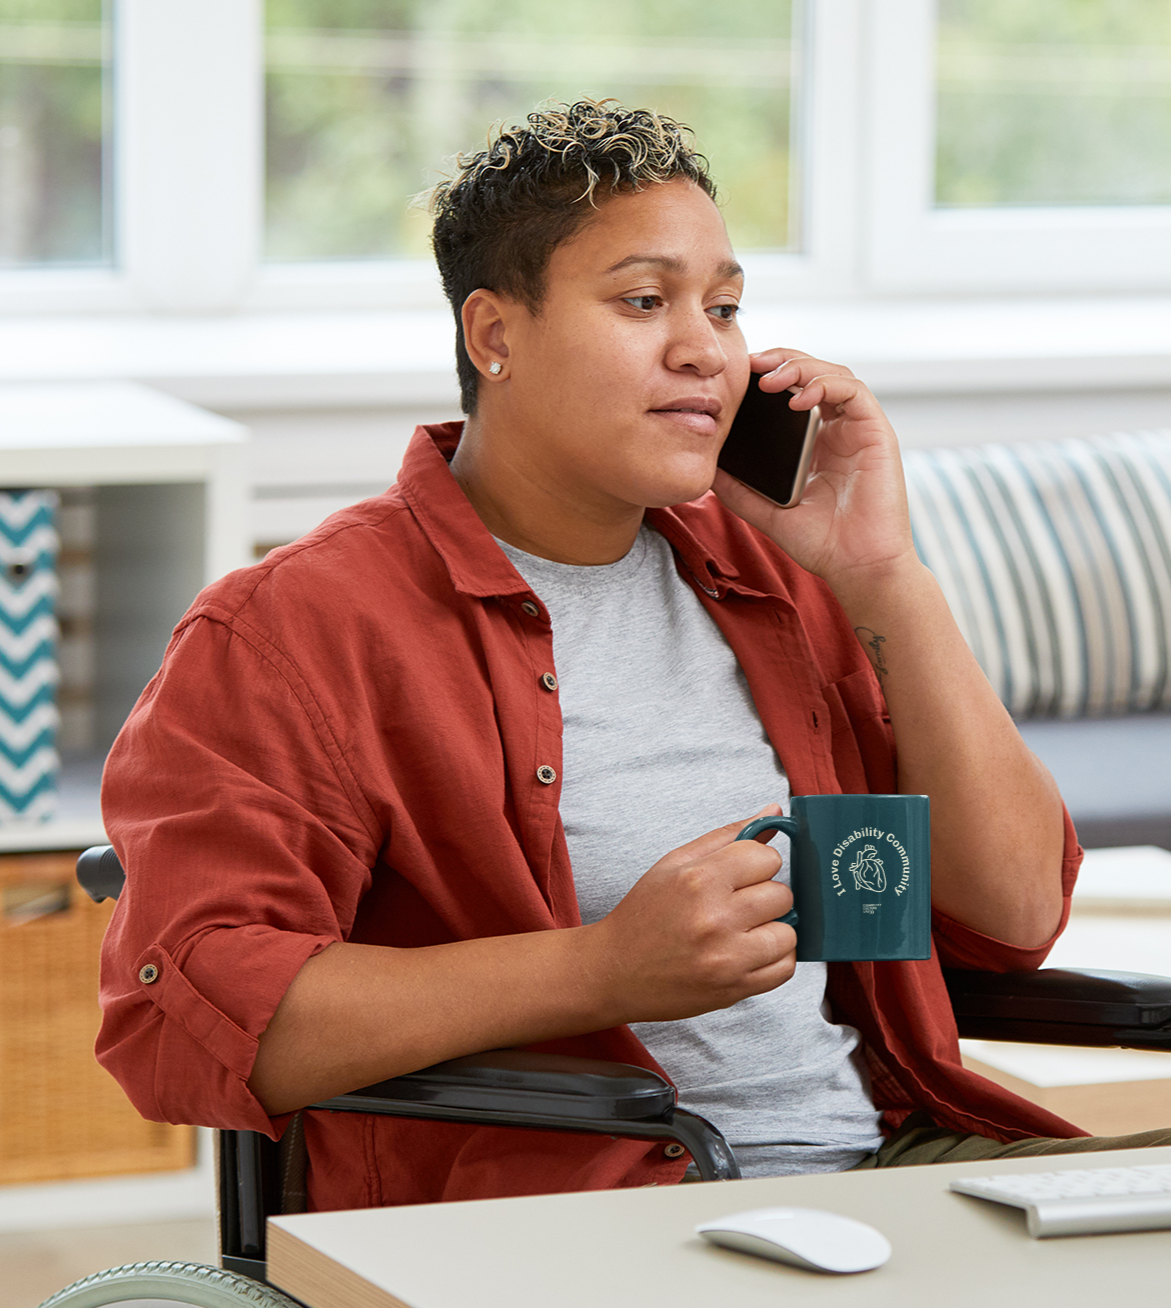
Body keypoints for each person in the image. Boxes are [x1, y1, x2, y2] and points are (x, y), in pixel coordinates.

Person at [96, 100, 1167, 1213]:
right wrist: (603, 969)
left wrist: (882, 572)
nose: (704, 347)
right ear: (494, 336)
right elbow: (185, 1020)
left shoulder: (773, 579)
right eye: (643, 301)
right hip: (585, 1217)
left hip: (884, 1172)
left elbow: (1012, 913)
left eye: (726, 306)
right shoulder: (291, 631)